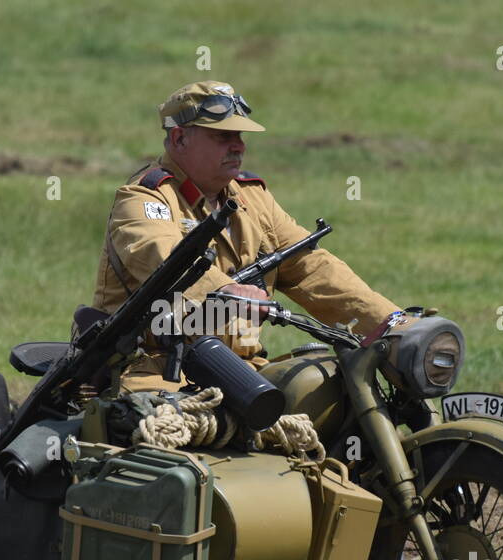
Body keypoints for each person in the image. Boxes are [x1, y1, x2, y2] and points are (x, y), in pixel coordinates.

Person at [92, 80, 401, 392]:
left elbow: (313, 269)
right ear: (179, 138)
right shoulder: (145, 198)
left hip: (243, 368)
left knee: (327, 397)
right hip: (157, 369)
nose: (238, 145)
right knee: (178, 429)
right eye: (222, 136)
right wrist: (227, 289)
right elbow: (159, 255)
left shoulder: (252, 198)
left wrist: (392, 324)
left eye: (239, 135)